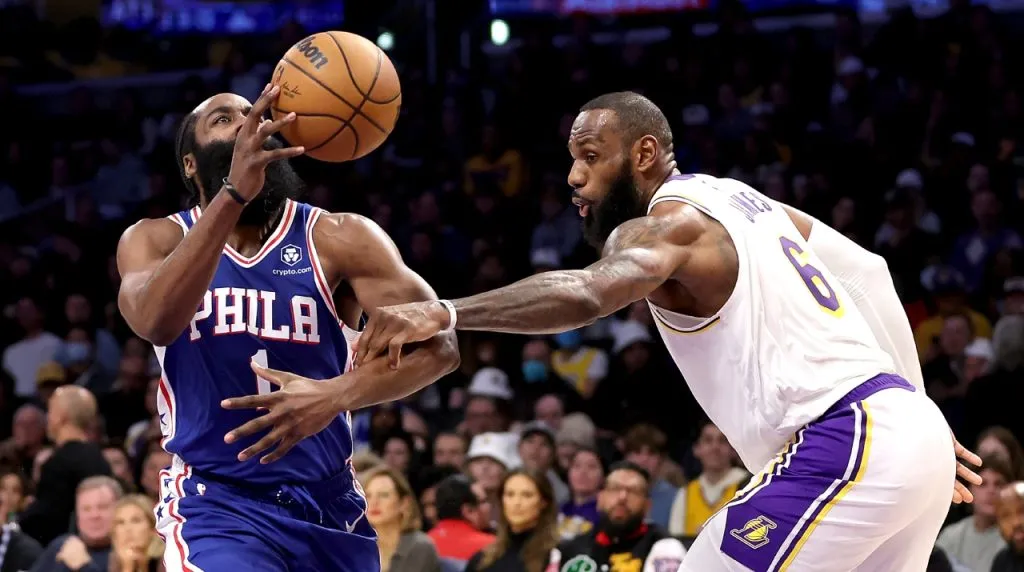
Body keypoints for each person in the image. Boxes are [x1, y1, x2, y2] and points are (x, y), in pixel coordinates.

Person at [348, 91, 982, 571]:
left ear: (644, 153)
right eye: (572, 160)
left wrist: (446, 311)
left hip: (843, 438)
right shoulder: (741, 198)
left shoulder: (665, 224)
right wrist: (918, 411)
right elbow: (870, 272)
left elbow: (590, 292)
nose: (573, 177)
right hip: (905, 438)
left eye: (590, 157)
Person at [115, 84, 460, 571]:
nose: (248, 122)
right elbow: (154, 322)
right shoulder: (156, 239)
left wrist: (335, 395)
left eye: (253, 114)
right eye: (223, 120)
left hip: (329, 502)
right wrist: (233, 195)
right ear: (190, 164)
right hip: (217, 504)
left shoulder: (339, 236)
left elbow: (441, 346)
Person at [551, 461, 687, 572]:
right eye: (615, 488)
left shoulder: (665, 547)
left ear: (647, 505)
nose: (622, 497)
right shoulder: (572, 549)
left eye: (633, 491)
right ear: (600, 498)